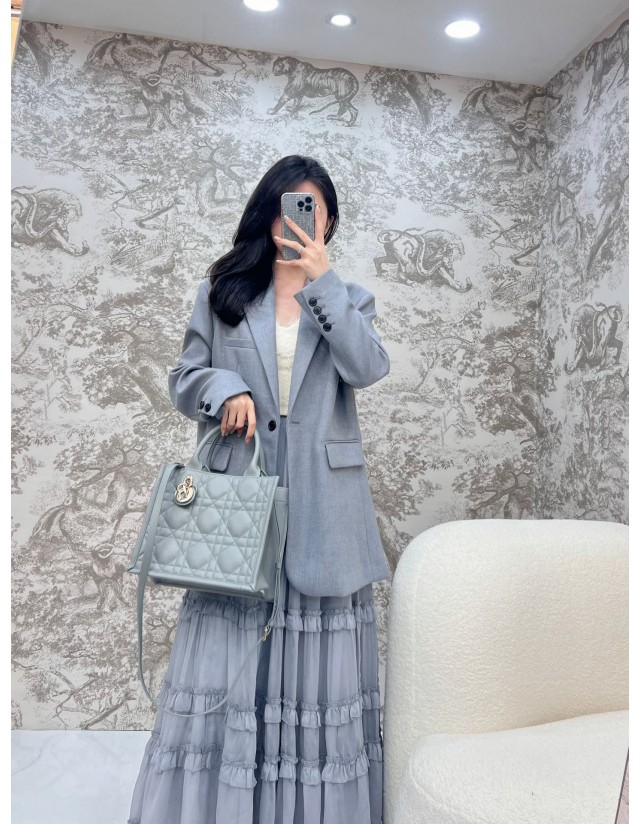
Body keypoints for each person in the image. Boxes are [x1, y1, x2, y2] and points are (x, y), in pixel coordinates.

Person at [127, 155, 391, 824]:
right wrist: (225, 388)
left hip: (325, 511)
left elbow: (367, 368)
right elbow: (185, 378)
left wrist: (322, 280)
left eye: (311, 207)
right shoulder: (223, 294)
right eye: (285, 204)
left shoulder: (348, 298)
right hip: (239, 508)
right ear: (265, 211)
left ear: (328, 220)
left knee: (315, 684)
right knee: (231, 664)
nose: (295, 218)